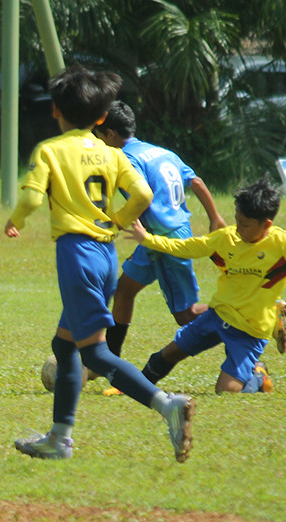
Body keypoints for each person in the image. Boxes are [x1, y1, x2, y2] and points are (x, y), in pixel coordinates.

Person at [3, 65, 195, 463]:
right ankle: (59, 438)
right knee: (65, 344)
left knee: (93, 353)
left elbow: (32, 199)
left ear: (56, 110)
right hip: (107, 255)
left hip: (76, 255)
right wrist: (119, 221)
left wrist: (15, 220)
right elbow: (142, 193)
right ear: (102, 116)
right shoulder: (111, 153)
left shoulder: (51, 151)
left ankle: (166, 405)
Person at [125, 177, 286, 394]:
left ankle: (258, 376)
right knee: (171, 352)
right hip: (218, 315)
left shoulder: (285, 246)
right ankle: (132, 387)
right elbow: (188, 247)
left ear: (266, 225)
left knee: (226, 392)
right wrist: (147, 239)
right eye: (237, 221)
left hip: (250, 330)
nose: (238, 229)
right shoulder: (227, 238)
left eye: (245, 225)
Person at [94, 101, 227, 363]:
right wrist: (215, 217)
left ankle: (246, 315)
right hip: (156, 237)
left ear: (110, 134)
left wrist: (115, 224)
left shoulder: (126, 158)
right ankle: (110, 362)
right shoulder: (160, 151)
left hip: (165, 240)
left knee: (186, 314)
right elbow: (196, 181)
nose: (98, 141)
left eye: (99, 135)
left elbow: (142, 197)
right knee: (124, 290)